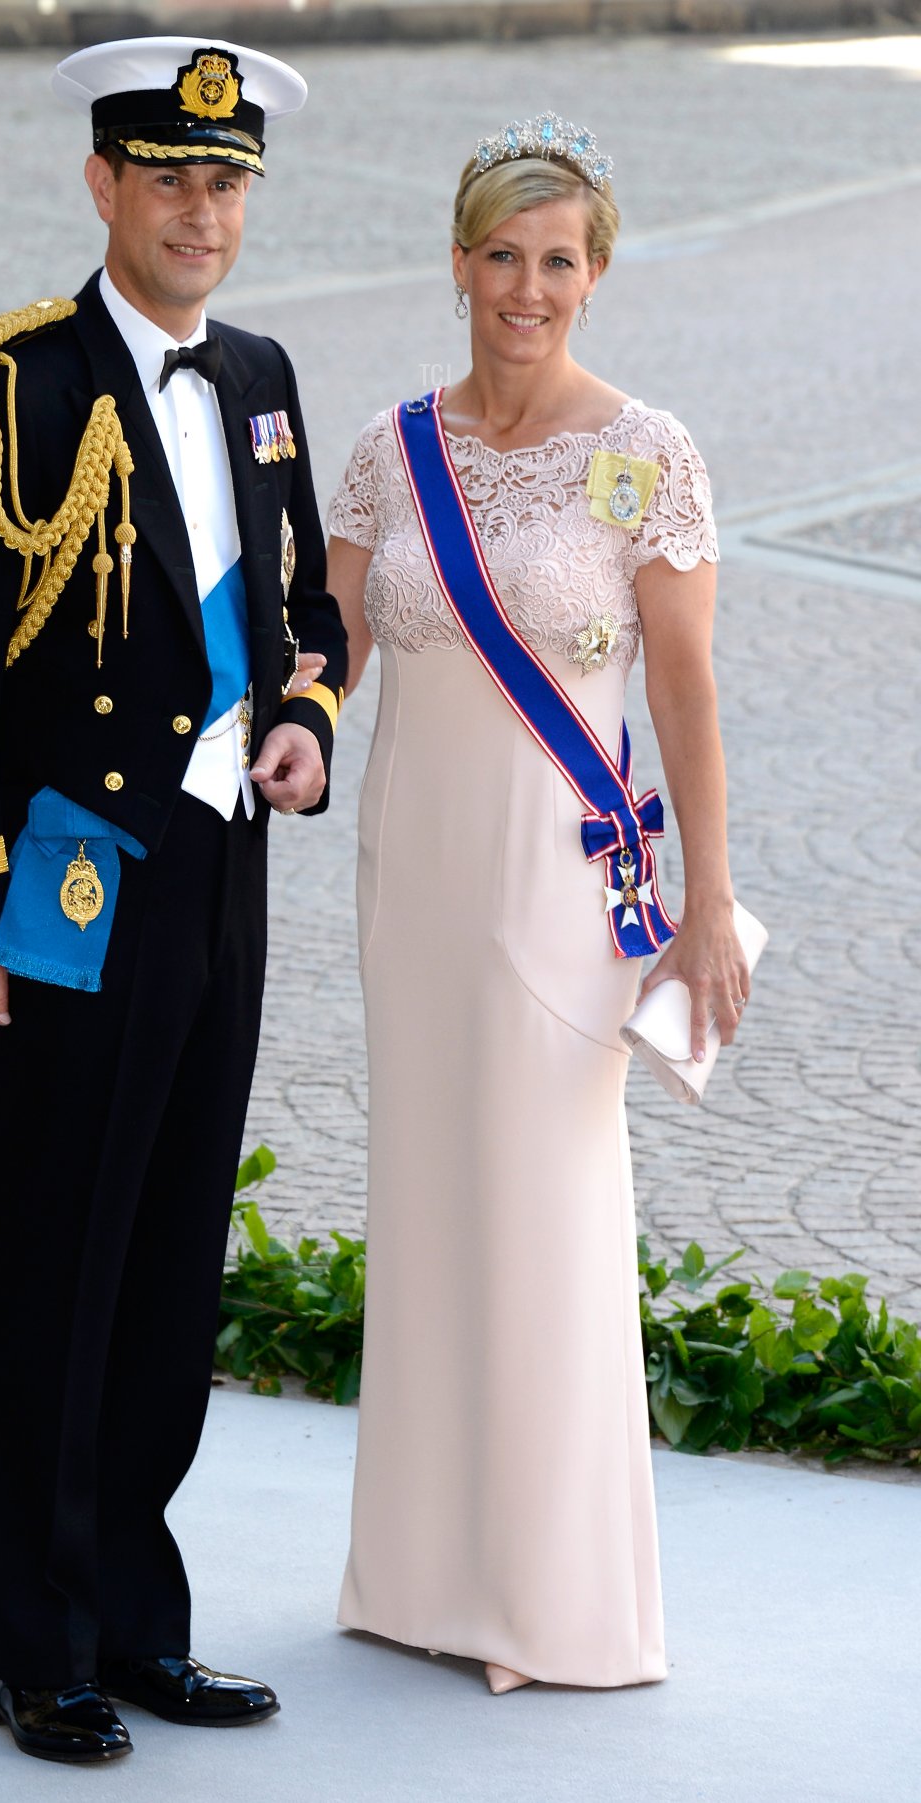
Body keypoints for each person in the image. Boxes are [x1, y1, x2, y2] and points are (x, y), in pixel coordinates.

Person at [0, 37, 346, 1764]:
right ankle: (38, 1644)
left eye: (227, 183)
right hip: (73, 882)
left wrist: (301, 718)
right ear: (103, 185)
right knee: (50, 1261)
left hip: (223, 869)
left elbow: (306, 608)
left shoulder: (265, 373)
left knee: (168, 1256)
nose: (202, 211)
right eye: (170, 178)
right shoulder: (8, 390)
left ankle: (142, 1619)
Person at [326, 113, 748, 1692]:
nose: (527, 286)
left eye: (556, 260)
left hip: (561, 894)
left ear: (596, 273)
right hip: (415, 886)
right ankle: (422, 1577)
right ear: (457, 265)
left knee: (548, 1217)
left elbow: (689, 694)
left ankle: (547, 1605)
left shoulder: (648, 453)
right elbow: (329, 656)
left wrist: (709, 905)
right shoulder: (388, 449)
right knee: (433, 1207)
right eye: (501, 256)